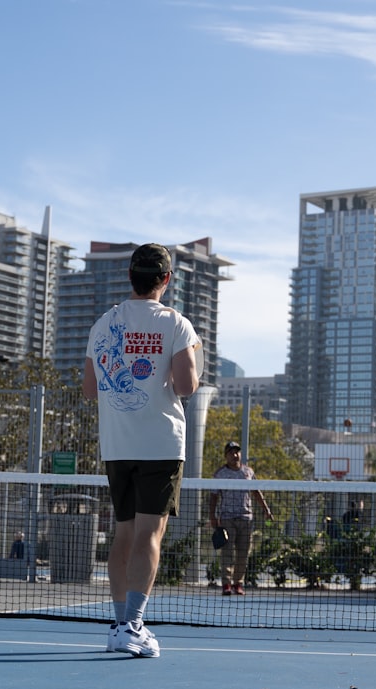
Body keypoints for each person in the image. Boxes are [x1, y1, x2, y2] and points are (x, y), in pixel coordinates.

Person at [82, 243, 201, 659]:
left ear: (130, 277)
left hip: (118, 445)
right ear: (166, 279)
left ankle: (119, 625)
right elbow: (186, 387)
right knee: (150, 534)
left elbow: (90, 388)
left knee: (125, 533)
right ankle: (133, 624)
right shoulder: (176, 324)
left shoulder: (104, 323)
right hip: (160, 444)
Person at [208, 441, 272, 596]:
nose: (234, 455)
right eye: (231, 452)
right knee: (227, 552)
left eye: (237, 452)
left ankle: (238, 583)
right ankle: (226, 584)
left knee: (243, 553)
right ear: (226, 456)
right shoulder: (220, 474)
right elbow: (214, 496)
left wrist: (266, 509)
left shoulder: (248, 472)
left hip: (246, 518)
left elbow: (256, 491)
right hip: (227, 518)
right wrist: (212, 516)